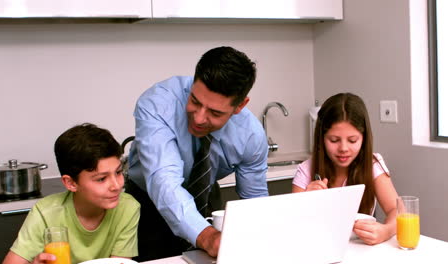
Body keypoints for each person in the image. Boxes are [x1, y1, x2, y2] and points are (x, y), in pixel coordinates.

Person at [126, 46, 269, 261]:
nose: (200, 118)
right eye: (195, 101)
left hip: (205, 199)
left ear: (240, 105)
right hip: (147, 203)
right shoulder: (157, 103)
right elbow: (164, 181)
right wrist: (206, 236)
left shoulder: (251, 135)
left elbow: (255, 202)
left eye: (215, 112)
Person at [2, 123, 141, 264]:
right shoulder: (46, 213)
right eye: (101, 179)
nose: (117, 185)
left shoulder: (127, 207)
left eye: (118, 172)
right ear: (71, 183)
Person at [292, 93, 399, 245]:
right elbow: (293, 224)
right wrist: (307, 202)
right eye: (334, 140)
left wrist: (386, 231)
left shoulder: (372, 165)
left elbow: (398, 210)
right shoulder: (306, 170)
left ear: (364, 138)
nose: (343, 148)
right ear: (321, 138)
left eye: (352, 140)